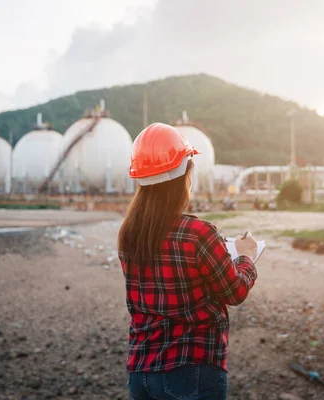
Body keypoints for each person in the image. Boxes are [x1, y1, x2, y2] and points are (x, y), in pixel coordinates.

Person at [118, 123, 259, 400]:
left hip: (141, 373)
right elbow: (235, 292)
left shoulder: (129, 234)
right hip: (191, 371)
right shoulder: (199, 234)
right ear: (185, 175)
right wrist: (246, 257)